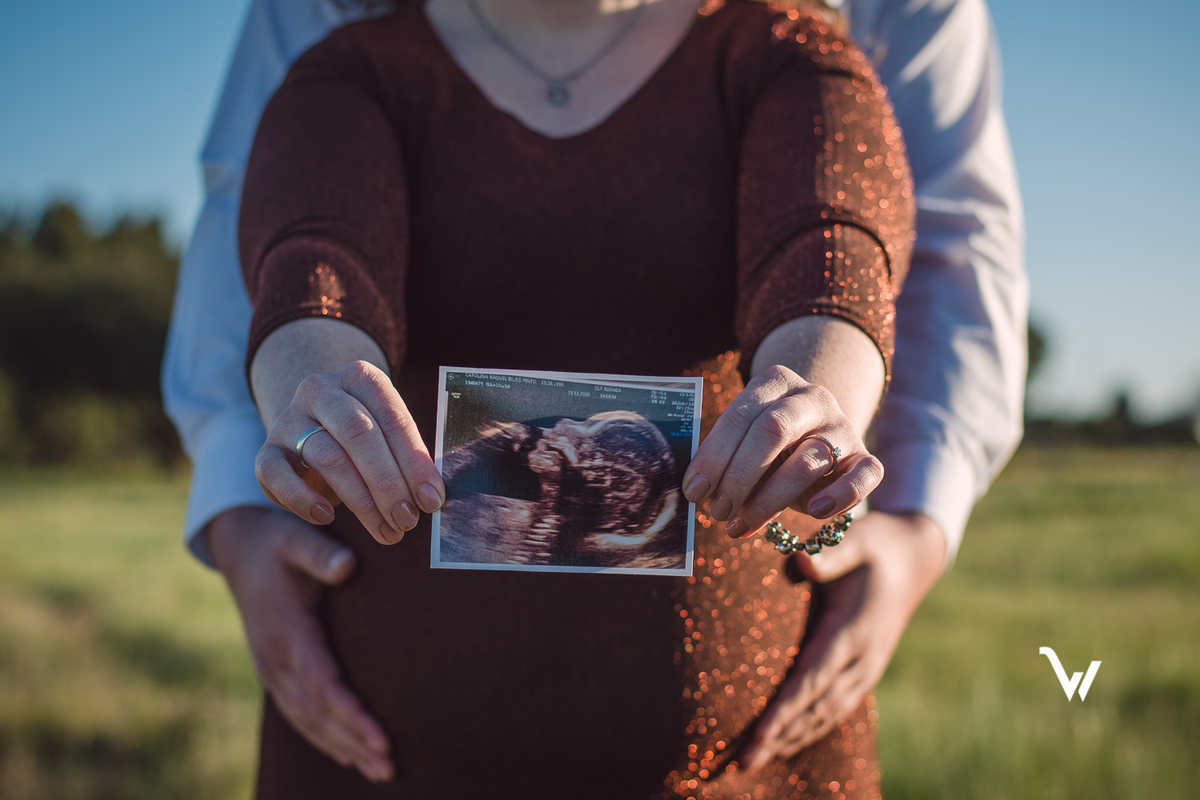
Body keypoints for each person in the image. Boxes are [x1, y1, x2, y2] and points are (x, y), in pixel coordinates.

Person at [161, 0, 1025, 793]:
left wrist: (819, 396)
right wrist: (315, 386)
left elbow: (832, 248)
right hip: (376, 759)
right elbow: (313, 253)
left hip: (750, 767)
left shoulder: (787, 52)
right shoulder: (350, 66)